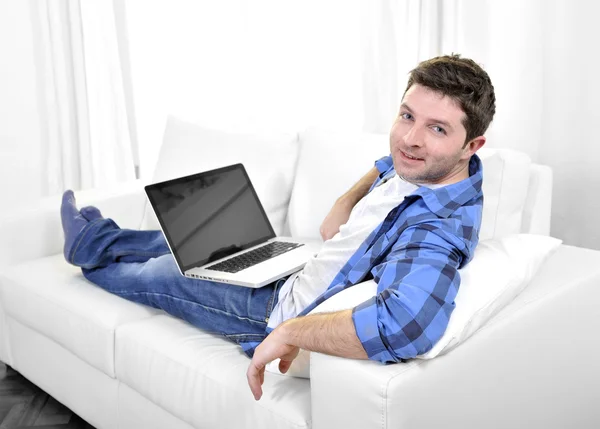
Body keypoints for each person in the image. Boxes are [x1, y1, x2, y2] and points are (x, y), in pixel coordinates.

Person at [60, 54, 496, 401]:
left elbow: (406, 324)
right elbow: (388, 165)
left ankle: (87, 251)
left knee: (156, 274)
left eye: (436, 128)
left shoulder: (437, 228)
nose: (409, 139)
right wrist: (348, 200)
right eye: (406, 116)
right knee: (191, 241)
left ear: (471, 145)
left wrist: (289, 331)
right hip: (298, 269)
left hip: (272, 312)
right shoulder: (431, 168)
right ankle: (101, 236)